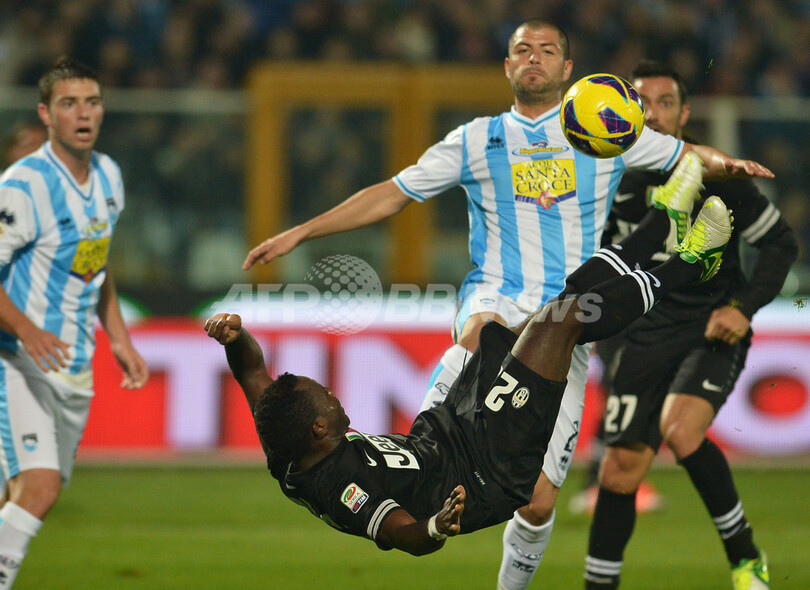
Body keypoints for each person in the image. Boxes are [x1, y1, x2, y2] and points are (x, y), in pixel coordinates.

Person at [242, 19, 774, 589]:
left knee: (537, 501)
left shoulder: (607, 124)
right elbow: (393, 194)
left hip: (571, 314)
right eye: (523, 49)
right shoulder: (476, 139)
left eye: (547, 50)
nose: (534, 57)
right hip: (495, 298)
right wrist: (302, 231)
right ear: (507, 66)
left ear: (568, 68)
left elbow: (689, 156)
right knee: (484, 332)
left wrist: (729, 165)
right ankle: (677, 257)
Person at [213, 195, 733, 556]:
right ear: (319, 429)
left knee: (548, 314)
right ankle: (692, 264)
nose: (331, 392)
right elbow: (401, 536)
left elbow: (254, 372)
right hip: (486, 469)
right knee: (562, 321)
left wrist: (234, 338)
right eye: (323, 396)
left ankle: (658, 224)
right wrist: (437, 525)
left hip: (444, 427)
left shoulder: (286, 441)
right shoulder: (339, 487)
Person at [583, 61, 798, 590]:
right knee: (618, 470)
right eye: (643, 104)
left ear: (683, 114)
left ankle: (745, 559)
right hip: (643, 333)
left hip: (710, 328)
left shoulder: (716, 174)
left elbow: (779, 244)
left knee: (681, 432)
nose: (654, 114)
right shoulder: (614, 179)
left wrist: (742, 307)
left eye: (665, 103)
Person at [0, 56, 149, 587]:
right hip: (18, 360)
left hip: (72, 363)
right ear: (46, 114)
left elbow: (96, 265)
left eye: (92, 102)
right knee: (38, 489)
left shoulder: (109, 175)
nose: (83, 113)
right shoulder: (22, 185)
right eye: (69, 103)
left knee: (21, 494)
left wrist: (120, 338)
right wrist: (26, 329)